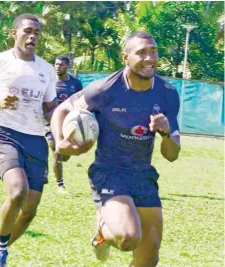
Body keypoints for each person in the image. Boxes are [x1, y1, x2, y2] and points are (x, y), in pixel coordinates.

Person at [51, 31, 180, 266]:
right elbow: (62, 110)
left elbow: (172, 154)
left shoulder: (167, 94)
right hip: (109, 173)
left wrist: (164, 133)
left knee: (148, 258)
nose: (150, 58)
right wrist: (61, 142)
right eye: (141, 53)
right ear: (126, 57)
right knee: (129, 238)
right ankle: (102, 229)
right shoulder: (104, 90)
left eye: (153, 51)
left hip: (143, 173)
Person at [0, 14, 57, 267]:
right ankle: (0, 253)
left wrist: (63, 126)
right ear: (14, 33)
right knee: (18, 191)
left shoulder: (46, 69)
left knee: (29, 211)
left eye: (37, 33)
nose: (33, 36)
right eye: (28, 31)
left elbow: (50, 107)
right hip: (6, 133)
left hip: (36, 139)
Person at [45, 55, 83, 193]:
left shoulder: (75, 84)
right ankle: (60, 185)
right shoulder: (49, 82)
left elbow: (80, 102)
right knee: (57, 151)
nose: (58, 67)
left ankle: (60, 160)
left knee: (65, 155)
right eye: (56, 64)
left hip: (70, 124)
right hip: (52, 123)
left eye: (61, 65)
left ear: (68, 67)